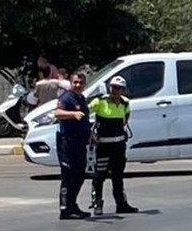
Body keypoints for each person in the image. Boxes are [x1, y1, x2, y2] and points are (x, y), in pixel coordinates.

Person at [88, 75, 137, 215]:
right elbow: (85, 113)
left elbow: (127, 115)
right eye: (113, 87)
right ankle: (97, 203)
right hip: (104, 146)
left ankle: (121, 204)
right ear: (109, 87)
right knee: (100, 175)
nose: (115, 90)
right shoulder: (99, 101)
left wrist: (122, 124)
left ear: (123, 89)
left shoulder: (125, 102)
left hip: (119, 145)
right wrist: (91, 132)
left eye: (119, 88)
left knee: (118, 176)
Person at [54, 72, 93, 219]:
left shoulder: (81, 99)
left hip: (80, 142)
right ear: (71, 83)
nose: (78, 85)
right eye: (75, 82)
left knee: (80, 175)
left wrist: (90, 134)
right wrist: (73, 114)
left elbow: (85, 119)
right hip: (67, 143)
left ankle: (73, 205)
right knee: (68, 175)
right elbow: (57, 113)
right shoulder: (66, 97)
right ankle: (65, 209)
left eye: (81, 83)